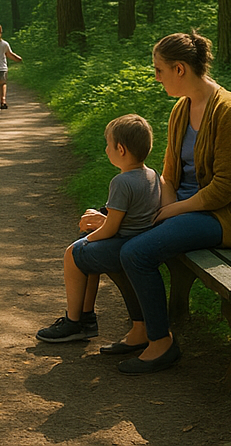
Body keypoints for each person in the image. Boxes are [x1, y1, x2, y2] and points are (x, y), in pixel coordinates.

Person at [104, 31, 231, 375]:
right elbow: (170, 173)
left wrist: (169, 211)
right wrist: (154, 209)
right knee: (123, 235)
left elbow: (223, 190)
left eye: (159, 70)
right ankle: (139, 329)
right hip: (187, 209)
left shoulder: (230, 111)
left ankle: (162, 344)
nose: (156, 77)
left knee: (136, 251)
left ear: (180, 69)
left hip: (226, 217)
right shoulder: (181, 109)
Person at [35, 114, 161, 343]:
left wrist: (87, 240)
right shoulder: (151, 174)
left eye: (108, 145)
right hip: (140, 239)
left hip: (123, 243)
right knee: (85, 247)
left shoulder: (121, 182)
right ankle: (87, 318)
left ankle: (74, 322)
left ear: (120, 149)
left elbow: (111, 228)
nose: (106, 150)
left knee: (73, 253)